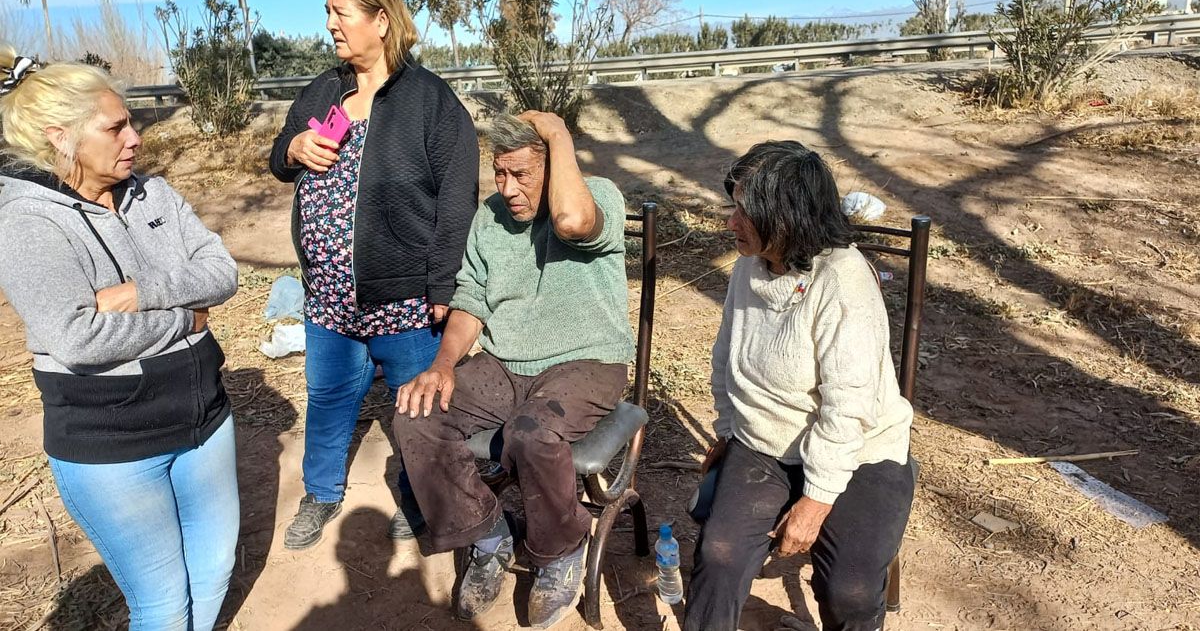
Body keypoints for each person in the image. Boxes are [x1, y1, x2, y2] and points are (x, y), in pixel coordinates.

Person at [0, 47, 240, 631]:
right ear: (61, 139)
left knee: (213, 571)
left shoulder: (153, 193)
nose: (135, 138)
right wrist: (186, 320)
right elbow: (78, 337)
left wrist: (139, 292)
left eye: (130, 122)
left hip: (204, 420)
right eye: (115, 128)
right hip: (112, 443)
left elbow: (223, 272)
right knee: (162, 605)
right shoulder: (28, 221)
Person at [392, 112, 634, 628]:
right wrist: (442, 365)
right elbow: (471, 299)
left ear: (555, 164)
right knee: (417, 414)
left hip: (587, 362)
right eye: (499, 173)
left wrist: (559, 133)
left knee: (531, 433)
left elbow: (572, 223)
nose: (507, 188)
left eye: (521, 174)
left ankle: (560, 549)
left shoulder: (598, 196)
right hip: (506, 364)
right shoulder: (491, 216)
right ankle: (488, 533)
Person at [268, 0, 479, 549]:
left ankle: (418, 498)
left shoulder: (429, 100)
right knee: (328, 396)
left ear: (381, 20)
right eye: (328, 12)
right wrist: (293, 146)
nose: (330, 24)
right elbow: (279, 158)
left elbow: (457, 198)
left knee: (415, 407)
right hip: (328, 295)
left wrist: (443, 285)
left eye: (341, 13)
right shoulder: (323, 90)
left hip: (402, 294)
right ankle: (321, 492)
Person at [684, 141, 915, 631]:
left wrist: (816, 499)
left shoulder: (844, 280)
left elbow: (848, 408)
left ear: (786, 216)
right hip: (764, 444)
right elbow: (727, 358)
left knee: (849, 591)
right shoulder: (748, 267)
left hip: (859, 452)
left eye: (744, 211)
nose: (730, 222)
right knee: (719, 555)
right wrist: (728, 431)